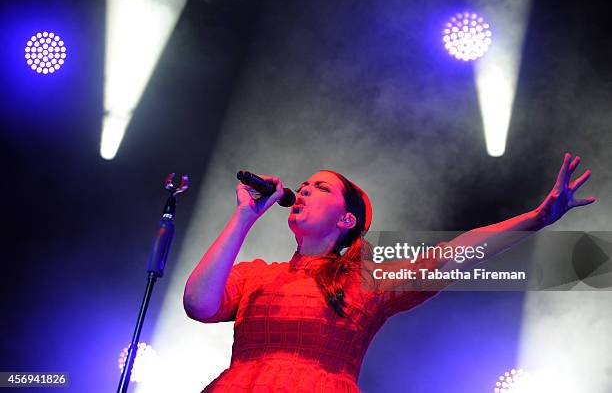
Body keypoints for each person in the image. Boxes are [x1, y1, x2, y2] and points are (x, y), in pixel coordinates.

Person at [183, 152, 596, 392]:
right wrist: (243, 216)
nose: (304, 189)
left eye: (321, 188)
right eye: (305, 184)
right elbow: (198, 304)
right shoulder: (257, 275)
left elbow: (455, 253)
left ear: (347, 221)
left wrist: (536, 219)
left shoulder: (366, 282)